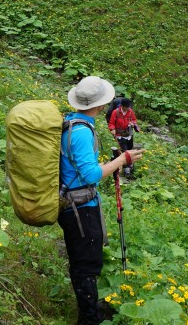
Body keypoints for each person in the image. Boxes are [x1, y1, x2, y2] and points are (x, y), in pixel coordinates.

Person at [60, 76, 145, 325]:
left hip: (72, 202)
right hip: (80, 207)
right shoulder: (82, 132)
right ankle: (90, 319)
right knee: (87, 264)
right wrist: (122, 160)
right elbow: (91, 174)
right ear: (101, 104)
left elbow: (79, 166)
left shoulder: (70, 121)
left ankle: (88, 310)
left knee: (82, 260)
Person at [107, 97, 139, 179]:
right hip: (120, 135)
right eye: (126, 107)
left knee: (130, 149)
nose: (128, 109)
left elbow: (134, 120)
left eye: (129, 107)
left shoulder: (130, 112)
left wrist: (133, 124)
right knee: (125, 151)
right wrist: (112, 129)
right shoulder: (115, 112)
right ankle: (126, 170)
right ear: (122, 106)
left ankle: (130, 165)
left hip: (129, 134)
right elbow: (111, 123)